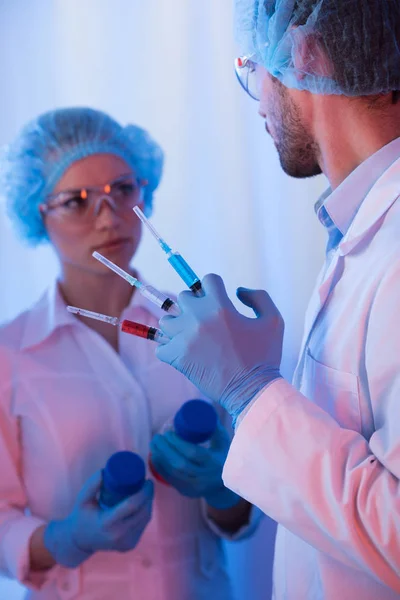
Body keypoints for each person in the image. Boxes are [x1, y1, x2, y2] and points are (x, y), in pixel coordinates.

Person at [155, 1, 400, 598]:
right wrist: (270, 395)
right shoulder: (359, 224)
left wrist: (252, 392)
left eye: (252, 66)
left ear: (303, 53)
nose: (258, 100)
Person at [0, 107, 260, 600]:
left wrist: (227, 488)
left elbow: (244, 513)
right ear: (37, 212)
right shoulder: (9, 355)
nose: (110, 216)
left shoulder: (201, 330)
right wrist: (65, 538)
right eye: (77, 201)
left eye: (122, 189)